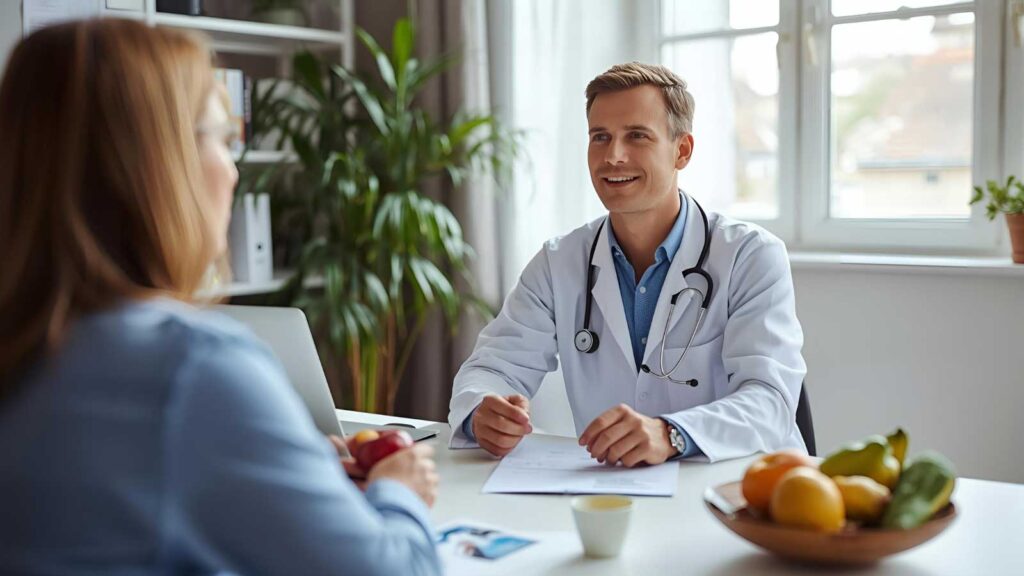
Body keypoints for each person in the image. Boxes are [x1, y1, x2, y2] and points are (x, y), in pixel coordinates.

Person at [0, 20, 439, 575]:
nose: (233, 172)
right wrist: (399, 492)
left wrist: (277, 465)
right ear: (159, 164)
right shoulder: (190, 368)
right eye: (221, 138)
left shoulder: (26, 347)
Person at [448, 62, 806, 466]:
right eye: (600, 137)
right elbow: (493, 366)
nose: (613, 156)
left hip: (739, 490)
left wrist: (672, 433)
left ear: (682, 151)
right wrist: (483, 410)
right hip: (615, 491)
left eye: (636, 136)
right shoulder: (559, 261)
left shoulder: (750, 255)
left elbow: (770, 400)